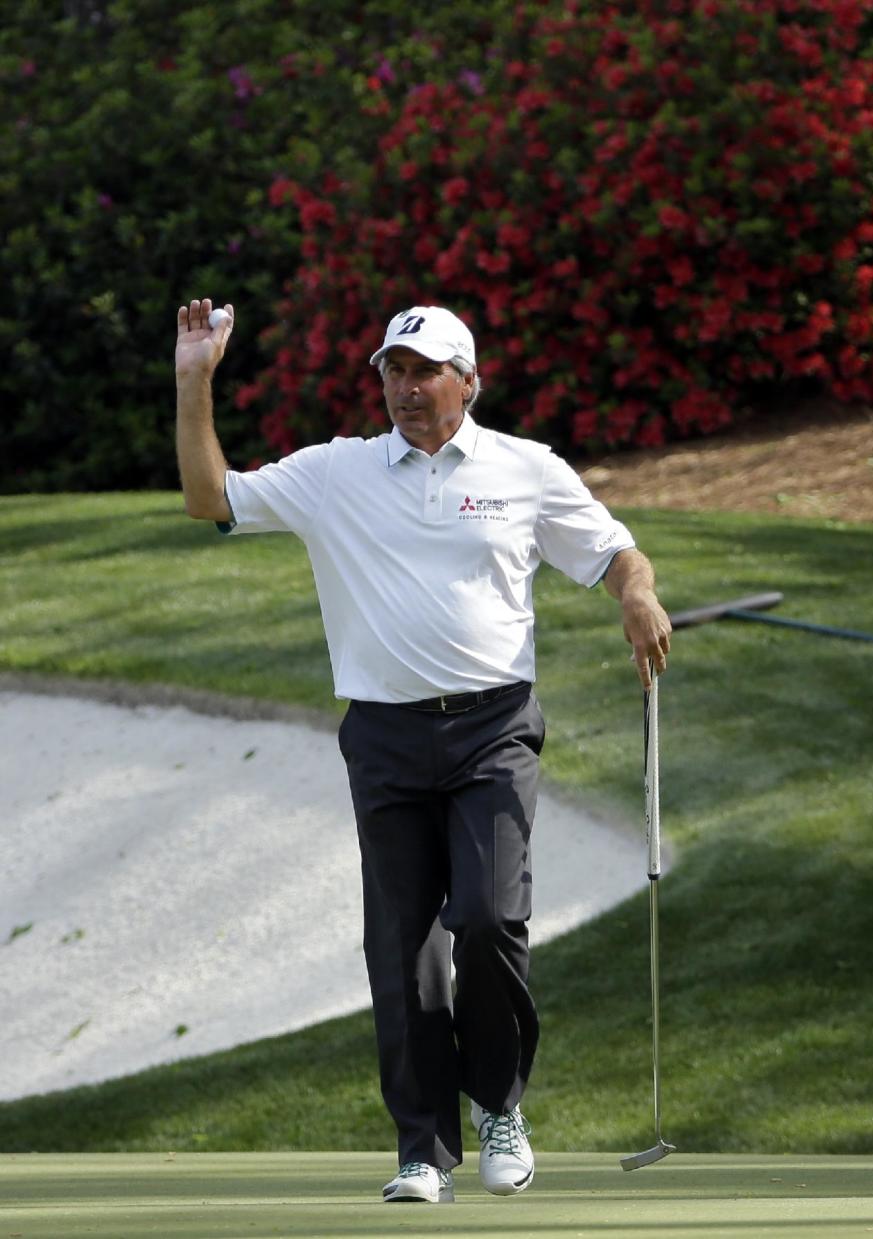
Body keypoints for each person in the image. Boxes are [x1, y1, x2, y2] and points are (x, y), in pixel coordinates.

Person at [175, 298, 671, 1204]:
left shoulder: (524, 468)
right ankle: (421, 1148)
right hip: (386, 735)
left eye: (423, 371)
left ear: (466, 380)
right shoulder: (337, 472)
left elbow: (614, 552)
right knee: (402, 944)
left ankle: (500, 1108)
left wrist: (636, 595)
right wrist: (194, 380)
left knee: (485, 916)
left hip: (495, 728)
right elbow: (210, 497)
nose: (404, 388)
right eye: (392, 372)